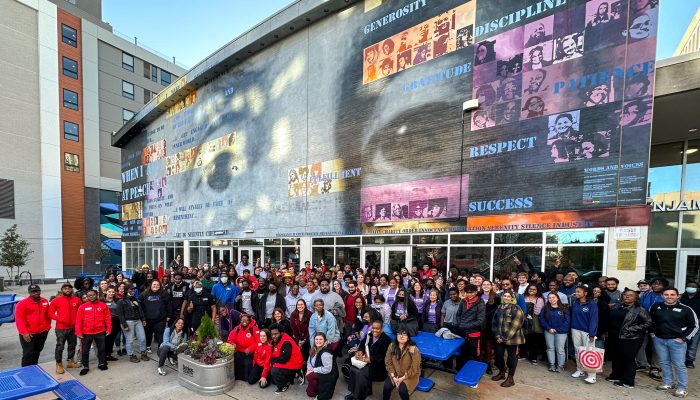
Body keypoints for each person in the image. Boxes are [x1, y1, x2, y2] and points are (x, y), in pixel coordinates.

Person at [650, 287, 698, 398]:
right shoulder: (656, 306)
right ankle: (668, 383)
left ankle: (682, 388)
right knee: (664, 362)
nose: (669, 297)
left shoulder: (686, 309)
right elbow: (650, 320)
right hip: (659, 340)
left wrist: (684, 338)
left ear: (678, 296)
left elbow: (694, 326)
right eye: (666, 294)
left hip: (677, 342)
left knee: (679, 365)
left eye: (672, 294)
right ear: (662, 296)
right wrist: (652, 333)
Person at [606, 290, 652, 388]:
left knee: (628, 359)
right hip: (615, 336)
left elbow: (648, 323)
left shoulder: (640, 309)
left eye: (630, 295)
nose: (627, 297)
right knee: (616, 357)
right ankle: (616, 376)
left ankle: (628, 381)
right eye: (625, 295)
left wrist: (631, 329)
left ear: (635, 298)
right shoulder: (617, 306)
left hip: (631, 338)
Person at [346, 320, 392, 400]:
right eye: (373, 328)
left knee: (360, 373)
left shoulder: (386, 341)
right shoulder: (369, 335)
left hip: (379, 368)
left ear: (382, 329)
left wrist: (364, 359)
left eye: (377, 329)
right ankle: (354, 392)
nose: (375, 330)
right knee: (353, 369)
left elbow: (380, 359)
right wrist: (360, 351)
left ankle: (358, 397)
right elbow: (362, 345)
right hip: (367, 362)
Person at [491, 291, 525, 387]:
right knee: (499, 356)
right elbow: (494, 323)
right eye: (504, 296)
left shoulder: (516, 309)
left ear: (512, 298)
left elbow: (515, 325)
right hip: (499, 338)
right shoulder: (499, 307)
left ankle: (510, 378)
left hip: (512, 339)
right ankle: (502, 373)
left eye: (508, 296)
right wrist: (497, 335)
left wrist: (503, 338)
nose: (506, 297)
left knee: (512, 358)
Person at [76, 289, 112, 375]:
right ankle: (85, 366)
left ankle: (102, 363)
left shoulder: (103, 305)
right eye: (89, 296)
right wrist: (78, 332)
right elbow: (78, 320)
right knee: (85, 350)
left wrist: (109, 329)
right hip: (86, 332)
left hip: (100, 331)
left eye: (93, 295)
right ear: (87, 297)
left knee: (101, 349)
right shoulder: (82, 307)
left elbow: (107, 318)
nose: (91, 297)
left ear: (97, 295)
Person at [48, 282, 82, 373]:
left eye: (69, 288)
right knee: (60, 346)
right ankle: (58, 364)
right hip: (61, 328)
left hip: (73, 328)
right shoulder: (56, 300)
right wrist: (60, 319)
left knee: (72, 345)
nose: (67, 290)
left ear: (72, 290)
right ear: (62, 290)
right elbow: (50, 313)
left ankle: (70, 361)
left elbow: (81, 312)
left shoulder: (77, 300)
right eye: (65, 288)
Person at [16, 284, 51, 367]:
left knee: (37, 351)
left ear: (40, 291)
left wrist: (47, 327)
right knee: (28, 353)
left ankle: (34, 368)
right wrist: (24, 332)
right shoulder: (22, 304)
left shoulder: (44, 301)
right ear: (29, 292)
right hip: (29, 333)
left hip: (42, 332)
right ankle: (25, 371)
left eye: (37, 291)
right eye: (33, 291)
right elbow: (19, 319)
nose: (36, 293)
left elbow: (47, 315)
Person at [571, 285, 599, 384]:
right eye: (576, 291)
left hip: (587, 332)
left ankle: (592, 375)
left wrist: (592, 333)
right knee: (578, 351)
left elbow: (594, 320)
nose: (576, 293)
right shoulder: (575, 302)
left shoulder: (592, 304)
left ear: (585, 293)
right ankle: (580, 370)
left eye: (579, 292)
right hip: (575, 329)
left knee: (589, 353)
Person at [383, 328, 422, 400]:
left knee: (402, 390)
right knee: (387, 387)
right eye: (399, 334)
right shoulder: (392, 346)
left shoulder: (414, 349)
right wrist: (393, 376)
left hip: (409, 375)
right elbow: (388, 362)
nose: (401, 336)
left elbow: (414, 368)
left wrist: (402, 378)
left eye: (404, 334)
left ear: (408, 337)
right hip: (395, 373)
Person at [269, 323, 305, 393]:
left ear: (281, 333)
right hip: (289, 361)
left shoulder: (286, 342)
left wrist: (272, 360)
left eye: (276, 334)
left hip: (295, 363)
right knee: (274, 380)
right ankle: (294, 375)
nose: (273, 336)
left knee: (274, 371)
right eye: (272, 334)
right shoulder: (277, 339)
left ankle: (284, 385)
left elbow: (283, 359)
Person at [540, 292, 570, 373]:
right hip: (549, 331)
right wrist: (549, 328)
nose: (551, 299)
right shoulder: (545, 308)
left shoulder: (563, 308)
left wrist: (558, 329)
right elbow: (542, 320)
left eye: (553, 297)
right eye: (549, 298)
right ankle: (552, 364)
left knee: (560, 349)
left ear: (557, 298)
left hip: (561, 332)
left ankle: (560, 366)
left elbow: (567, 321)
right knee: (550, 348)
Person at [118, 284, 148, 362]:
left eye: (133, 289)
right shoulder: (121, 301)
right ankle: (131, 355)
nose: (133, 291)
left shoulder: (136, 299)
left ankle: (143, 352)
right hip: (128, 322)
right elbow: (120, 314)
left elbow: (140, 310)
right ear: (126, 290)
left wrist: (143, 319)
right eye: (130, 289)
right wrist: (124, 324)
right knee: (130, 340)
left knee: (142, 338)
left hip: (138, 321)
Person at [139, 280, 170, 353]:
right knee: (148, 334)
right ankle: (148, 346)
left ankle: (160, 348)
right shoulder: (145, 293)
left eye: (157, 285)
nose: (155, 286)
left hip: (160, 319)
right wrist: (142, 316)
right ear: (151, 285)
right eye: (154, 284)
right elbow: (138, 302)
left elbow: (169, 304)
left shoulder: (164, 293)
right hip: (148, 319)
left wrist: (169, 315)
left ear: (160, 286)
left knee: (159, 334)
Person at [305, 332, 339, 400]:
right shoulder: (314, 348)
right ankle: (317, 386)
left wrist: (313, 370)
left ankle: (320, 389)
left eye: (321, 339)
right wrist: (309, 369)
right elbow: (309, 361)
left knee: (309, 376)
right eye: (316, 339)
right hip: (318, 369)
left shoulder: (325, 353)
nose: (318, 341)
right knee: (310, 393)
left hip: (329, 374)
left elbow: (327, 369)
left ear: (325, 340)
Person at [228, 314, 260, 381]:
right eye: (242, 320)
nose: (244, 321)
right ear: (240, 320)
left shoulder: (254, 329)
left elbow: (259, 341)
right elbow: (230, 339)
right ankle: (237, 377)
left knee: (248, 362)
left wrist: (250, 348)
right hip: (239, 350)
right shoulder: (236, 329)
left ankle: (247, 378)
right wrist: (232, 344)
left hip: (251, 351)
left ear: (249, 321)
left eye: (246, 320)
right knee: (235, 360)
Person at [522, 284, 545, 364]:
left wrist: (528, 308)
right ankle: (523, 355)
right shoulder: (523, 297)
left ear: (537, 290)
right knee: (524, 337)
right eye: (530, 289)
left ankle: (533, 357)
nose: (532, 290)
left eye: (534, 289)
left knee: (533, 338)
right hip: (524, 319)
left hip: (534, 320)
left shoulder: (540, 299)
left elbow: (537, 312)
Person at [681, 281, 700, 368]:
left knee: (693, 343)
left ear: (697, 288)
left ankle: (689, 361)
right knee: (681, 341)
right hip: (682, 323)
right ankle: (680, 359)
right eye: (689, 286)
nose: (690, 287)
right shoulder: (681, 297)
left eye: (693, 286)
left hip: (696, 324)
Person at [103, 287, 121, 362]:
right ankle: (103, 356)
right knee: (105, 339)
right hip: (105, 321)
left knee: (112, 339)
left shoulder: (117, 300)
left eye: (113, 292)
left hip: (116, 320)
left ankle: (109, 354)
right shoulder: (101, 301)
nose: (111, 293)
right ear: (106, 292)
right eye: (109, 292)